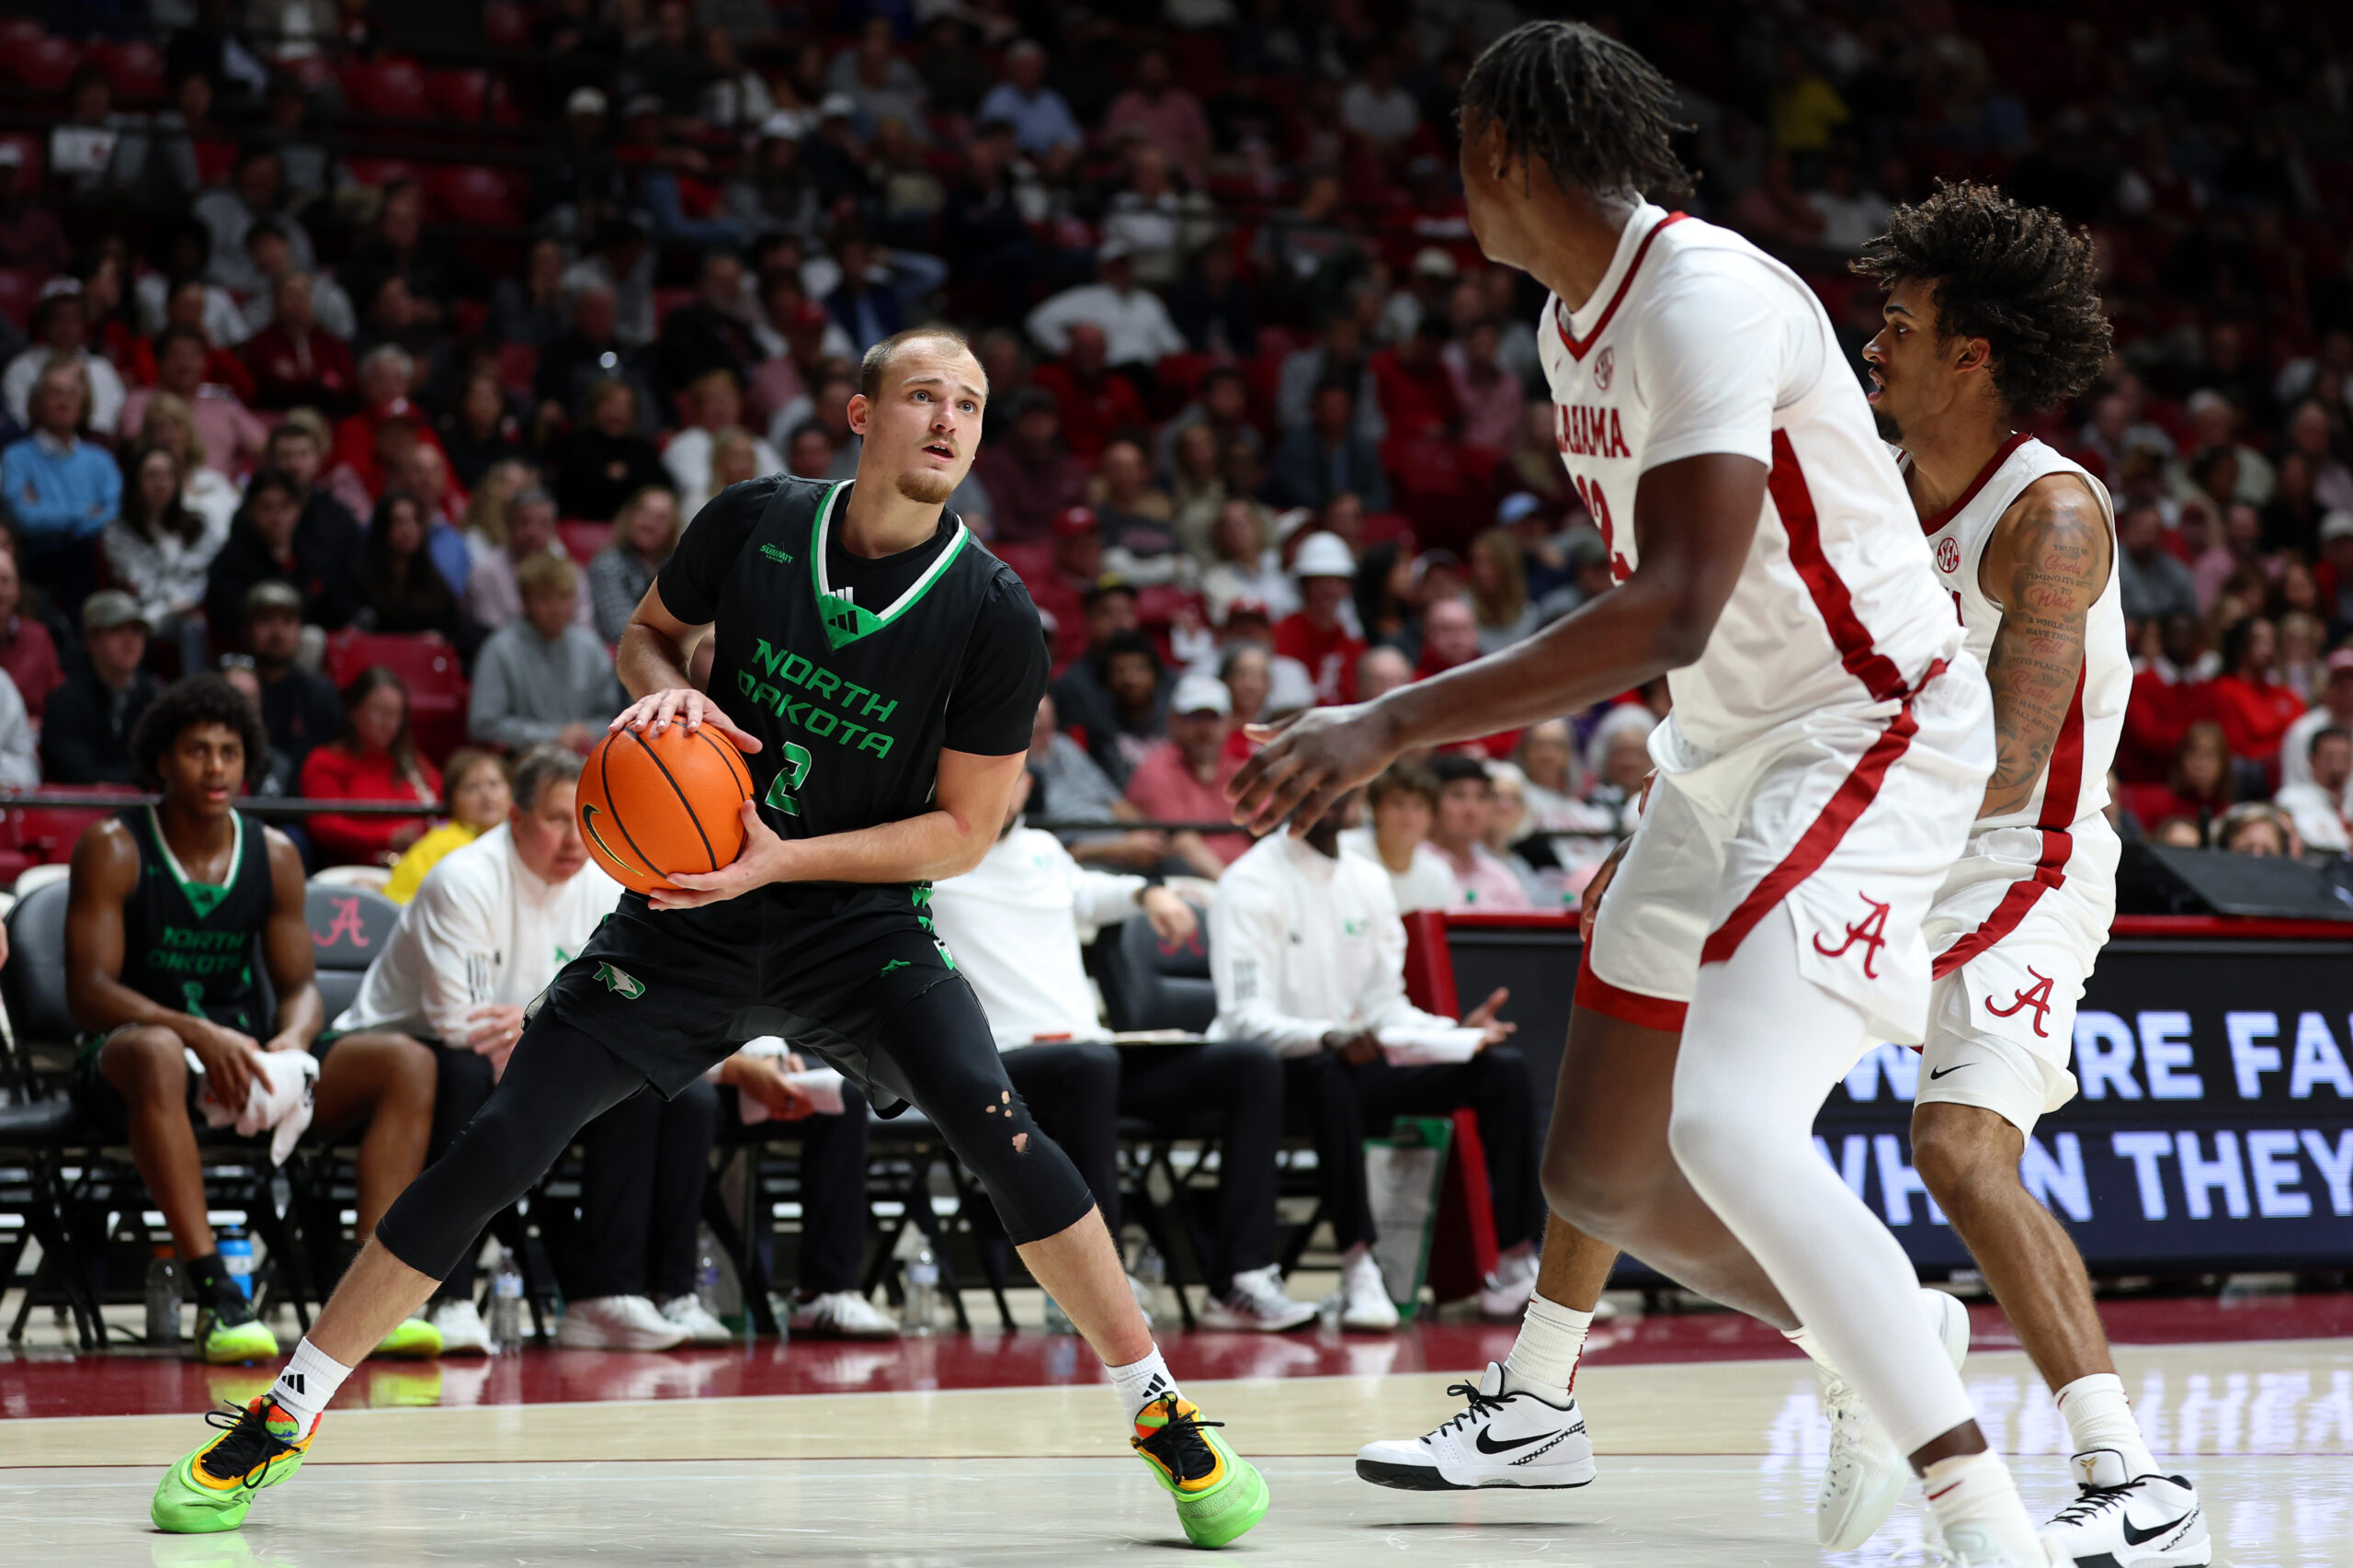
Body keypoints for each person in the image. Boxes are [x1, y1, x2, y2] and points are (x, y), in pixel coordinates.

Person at [151, 326, 1270, 1548]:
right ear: (860, 412)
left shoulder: (994, 611)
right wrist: (658, 690)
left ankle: (1161, 1412)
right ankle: (284, 1407)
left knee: (995, 1118)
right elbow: (644, 635)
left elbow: (966, 829)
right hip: (686, 912)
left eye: (970, 404)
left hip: (855, 923)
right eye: (922, 396)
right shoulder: (756, 522)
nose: (947, 420)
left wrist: (786, 855)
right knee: (503, 1135)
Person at [1235, 27, 2037, 1560]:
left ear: (1502, 156)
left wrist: (1390, 721)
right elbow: (1684, 629)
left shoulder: (1705, 298)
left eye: (1459, 149)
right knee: (1600, 1169)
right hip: (1722, 745)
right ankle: (1628, 1381)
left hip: (1865, 722)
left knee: (1730, 1125)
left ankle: (1978, 1505)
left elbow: (1672, 599)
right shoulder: (1567, 323)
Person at [1830, 183, 2217, 1564]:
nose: (1873, 339)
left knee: (1956, 1148)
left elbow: (2008, 763)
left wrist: (1833, 829)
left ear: (1972, 353)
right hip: (1899, 834)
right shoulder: (1874, 486)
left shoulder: (2046, 512)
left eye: (1899, 318)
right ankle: (1552, 1384)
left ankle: (2129, 1474)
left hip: (2022, 857)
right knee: (1698, 1089)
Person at [326, 746, 793, 1354]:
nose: (575, 839)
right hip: (402, 1051)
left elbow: (628, 1010)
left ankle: (607, 1295)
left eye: (585, 818)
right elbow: (460, 1025)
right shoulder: (464, 879)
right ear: (515, 819)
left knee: (653, 1087)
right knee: (467, 1074)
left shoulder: (606, 879)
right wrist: (548, 1028)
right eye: (555, 819)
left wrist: (539, 1027)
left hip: (524, 1044)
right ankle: (451, 1300)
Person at [66, 676, 439, 1365]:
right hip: (131, 1065)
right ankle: (219, 1297)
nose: (215, 768)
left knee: (408, 1062)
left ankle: (371, 1296)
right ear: (161, 760)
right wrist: (195, 1030)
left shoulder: (273, 854)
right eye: (196, 751)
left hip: (246, 1055)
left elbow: (300, 989)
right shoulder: (114, 847)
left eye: (230, 752)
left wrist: (292, 1045)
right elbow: (88, 992)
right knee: (155, 1050)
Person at [930, 767, 1317, 1331]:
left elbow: (1093, 894)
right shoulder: (933, 856)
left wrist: (1148, 890)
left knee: (1249, 1065)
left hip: (1089, 1058)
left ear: (1029, 787)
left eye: (1014, 778)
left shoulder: (1044, 852)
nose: (1003, 789)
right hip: (1004, 1064)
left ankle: (1241, 1278)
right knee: (1092, 1064)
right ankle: (1098, 1282)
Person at [1208, 789, 1537, 1333]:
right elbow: (1244, 1018)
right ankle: (1359, 1266)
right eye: (1315, 782)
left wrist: (1454, 1035)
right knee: (1329, 1073)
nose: (1334, 795)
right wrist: (1331, 1035)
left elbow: (1388, 1005)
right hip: (1278, 1073)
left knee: (1501, 1068)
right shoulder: (1248, 882)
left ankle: (1515, 1263)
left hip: (1360, 1061)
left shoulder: (1368, 880)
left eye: (1344, 782)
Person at [469, 554, 628, 753]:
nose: (557, 609)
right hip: (524, 760)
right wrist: (552, 736)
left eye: (564, 596)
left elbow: (612, 716)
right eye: (545, 598)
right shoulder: (500, 648)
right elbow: (484, 724)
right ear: (526, 603)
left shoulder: (590, 646)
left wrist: (586, 731)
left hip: (585, 758)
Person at [298, 668, 443, 869]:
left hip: (418, 869)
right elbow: (324, 826)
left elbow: (443, 812)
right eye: (380, 712)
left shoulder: (414, 763)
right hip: (352, 873)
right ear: (354, 711)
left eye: (396, 715)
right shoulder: (326, 761)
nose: (389, 724)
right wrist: (388, 838)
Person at [108, 441, 231, 676]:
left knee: (194, 626)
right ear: (135, 482)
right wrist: (172, 604)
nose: (161, 483)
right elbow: (138, 584)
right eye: (152, 475)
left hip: (188, 611)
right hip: (142, 612)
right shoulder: (119, 533)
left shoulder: (198, 525)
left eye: (168, 475)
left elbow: (205, 575)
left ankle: (196, 697)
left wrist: (190, 601)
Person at [5, 360, 119, 605]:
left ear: (83, 405)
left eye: (72, 394)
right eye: (54, 392)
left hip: (98, 557)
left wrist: (52, 513)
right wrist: (86, 512)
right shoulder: (16, 457)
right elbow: (25, 518)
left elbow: (115, 514)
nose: (63, 401)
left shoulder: (101, 459)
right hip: (42, 558)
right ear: (37, 403)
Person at [205, 468, 366, 636]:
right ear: (250, 512)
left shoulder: (316, 556)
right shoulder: (230, 562)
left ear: (298, 510)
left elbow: (338, 610)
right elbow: (228, 619)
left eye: (285, 507)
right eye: (266, 508)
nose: (277, 517)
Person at [1123, 672, 1251, 877]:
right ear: (1172, 721)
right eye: (1194, 717)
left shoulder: (1240, 770)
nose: (1204, 728)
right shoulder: (1154, 771)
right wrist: (1232, 890)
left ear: (1229, 722)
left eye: (1213, 717)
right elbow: (1179, 841)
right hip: (1185, 882)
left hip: (1251, 878)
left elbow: (1269, 827)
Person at [41, 591, 163, 785]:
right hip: (83, 812)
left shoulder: (158, 698)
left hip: (146, 811)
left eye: (137, 630)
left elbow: (164, 770)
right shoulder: (65, 701)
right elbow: (77, 773)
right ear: (90, 638)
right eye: (117, 630)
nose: (129, 640)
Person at [238, 581, 341, 777]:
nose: (277, 633)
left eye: (287, 621)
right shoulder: (232, 689)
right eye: (266, 620)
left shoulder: (321, 694)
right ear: (246, 629)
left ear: (300, 629)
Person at [383, 749, 511, 903]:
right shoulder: (443, 844)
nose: (486, 794)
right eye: (471, 787)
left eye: (494, 784)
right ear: (452, 801)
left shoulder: (519, 840)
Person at [463, 487, 592, 631]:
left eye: (543, 524)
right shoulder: (486, 572)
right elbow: (489, 632)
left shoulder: (572, 572)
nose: (533, 532)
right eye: (524, 522)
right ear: (509, 525)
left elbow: (583, 628)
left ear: (553, 529)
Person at [1417, 754, 1536, 910]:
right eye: (1458, 796)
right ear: (1431, 803)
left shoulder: (1499, 876)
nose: (1472, 810)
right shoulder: (1410, 866)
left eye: (1481, 797)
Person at [1339, 760, 1459, 913]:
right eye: (1397, 804)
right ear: (1376, 810)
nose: (1408, 817)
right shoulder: (1342, 850)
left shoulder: (1439, 875)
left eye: (1419, 806)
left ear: (1432, 817)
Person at [1273, 532, 1367, 706]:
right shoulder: (1282, 633)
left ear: (1347, 588)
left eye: (1336, 582)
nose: (1328, 590)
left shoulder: (1353, 644)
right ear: (1304, 586)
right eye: (1320, 581)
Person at [588, 486, 682, 644]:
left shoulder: (675, 570)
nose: (649, 523)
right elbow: (619, 630)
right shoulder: (609, 564)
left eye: (661, 518)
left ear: (672, 529)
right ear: (629, 517)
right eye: (644, 512)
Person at [0, 545, 64, 724]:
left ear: (18, 591)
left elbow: (59, 699)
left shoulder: (38, 637)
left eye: (5, 581)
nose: (0, 591)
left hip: (34, 744)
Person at [2278, 726, 2352, 854]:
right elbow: (2314, 842)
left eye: (2344, 758)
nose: (2337, 767)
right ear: (2312, 759)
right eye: (2329, 758)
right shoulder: (2291, 800)